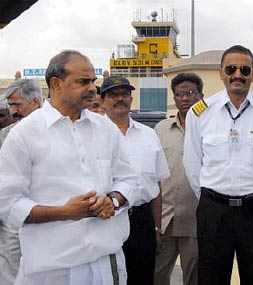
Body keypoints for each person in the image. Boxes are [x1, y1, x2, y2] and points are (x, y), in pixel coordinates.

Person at [0, 50, 146, 285]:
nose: (92, 88)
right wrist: (64, 213)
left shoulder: (105, 128)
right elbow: (7, 203)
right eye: (83, 82)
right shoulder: (25, 134)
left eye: (92, 81)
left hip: (105, 263)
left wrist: (113, 201)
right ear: (56, 84)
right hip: (51, 269)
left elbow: (131, 181)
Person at [183, 45, 253, 285]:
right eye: (231, 69)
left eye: (244, 69)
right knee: (211, 278)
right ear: (221, 73)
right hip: (214, 211)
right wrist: (211, 199)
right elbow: (192, 164)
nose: (237, 75)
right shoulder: (200, 114)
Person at [100, 75, 170, 285]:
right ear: (102, 100)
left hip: (141, 222)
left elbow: (156, 187)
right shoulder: (92, 135)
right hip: (105, 221)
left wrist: (156, 228)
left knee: (142, 278)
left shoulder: (149, 135)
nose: (120, 99)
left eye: (125, 94)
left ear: (131, 99)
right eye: (113, 95)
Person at [154, 73, 203, 285]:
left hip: (196, 221)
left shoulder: (208, 128)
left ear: (202, 96)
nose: (185, 98)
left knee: (194, 277)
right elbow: (152, 175)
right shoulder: (161, 129)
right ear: (174, 98)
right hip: (165, 220)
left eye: (191, 93)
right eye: (180, 94)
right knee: (157, 274)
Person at [0, 79, 43, 285]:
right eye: (10, 105)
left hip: (48, 217)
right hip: (13, 220)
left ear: (36, 101)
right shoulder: (5, 135)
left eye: (17, 104)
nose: (13, 111)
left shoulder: (55, 132)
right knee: (11, 271)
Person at [0, 79, 43, 145]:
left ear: (35, 102)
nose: (12, 112)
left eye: (17, 104)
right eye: (10, 105)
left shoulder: (57, 129)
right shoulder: (6, 134)